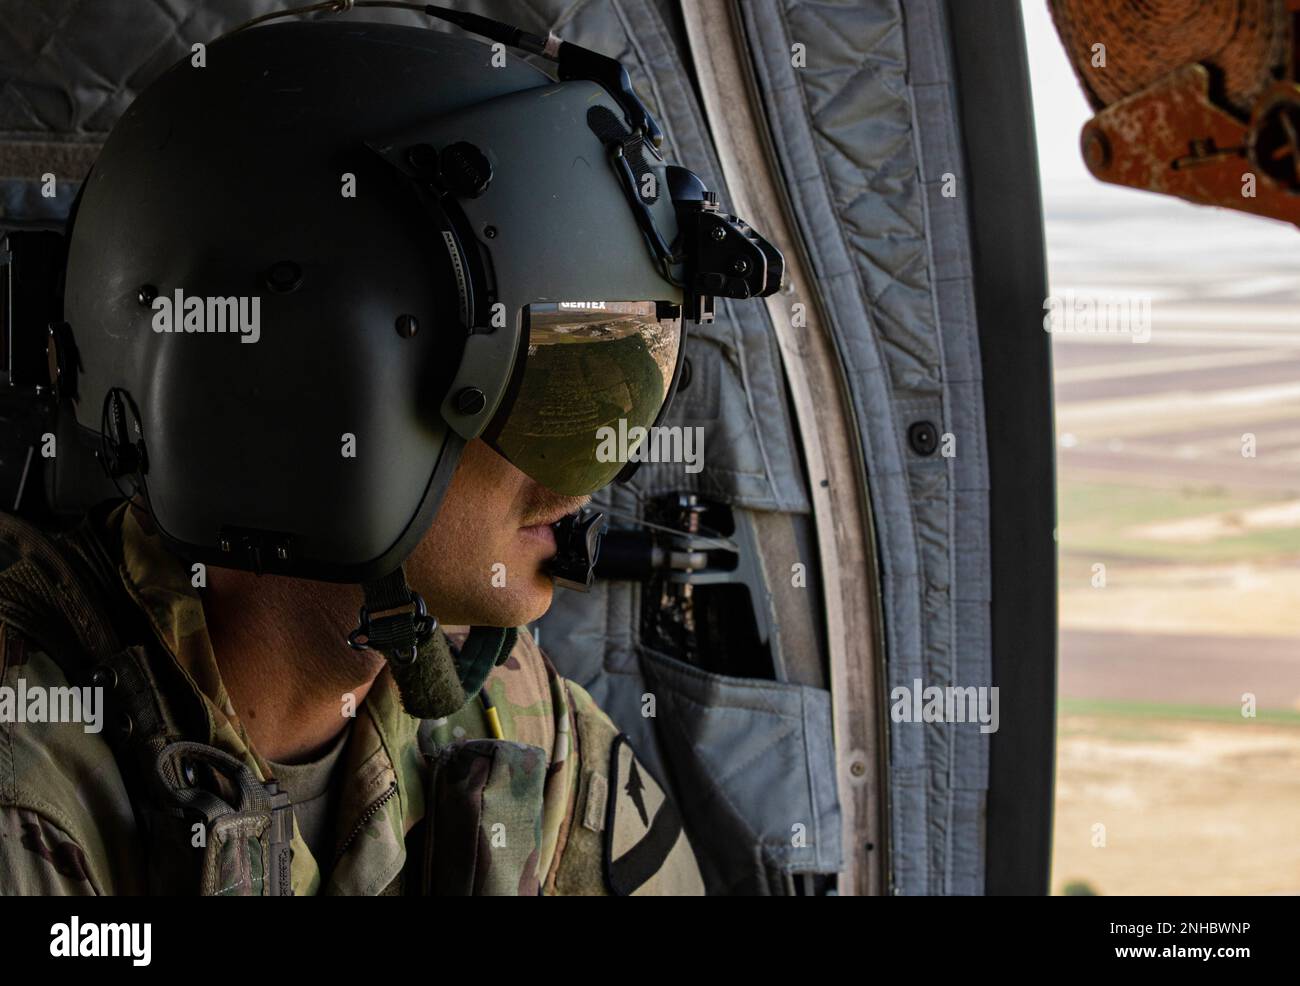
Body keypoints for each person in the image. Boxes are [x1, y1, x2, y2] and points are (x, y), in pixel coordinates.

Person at [0, 7, 779, 895]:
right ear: (310, 388)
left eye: (631, 386)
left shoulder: (505, 722)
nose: (599, 461)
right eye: (550, 389)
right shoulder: (29, 803)